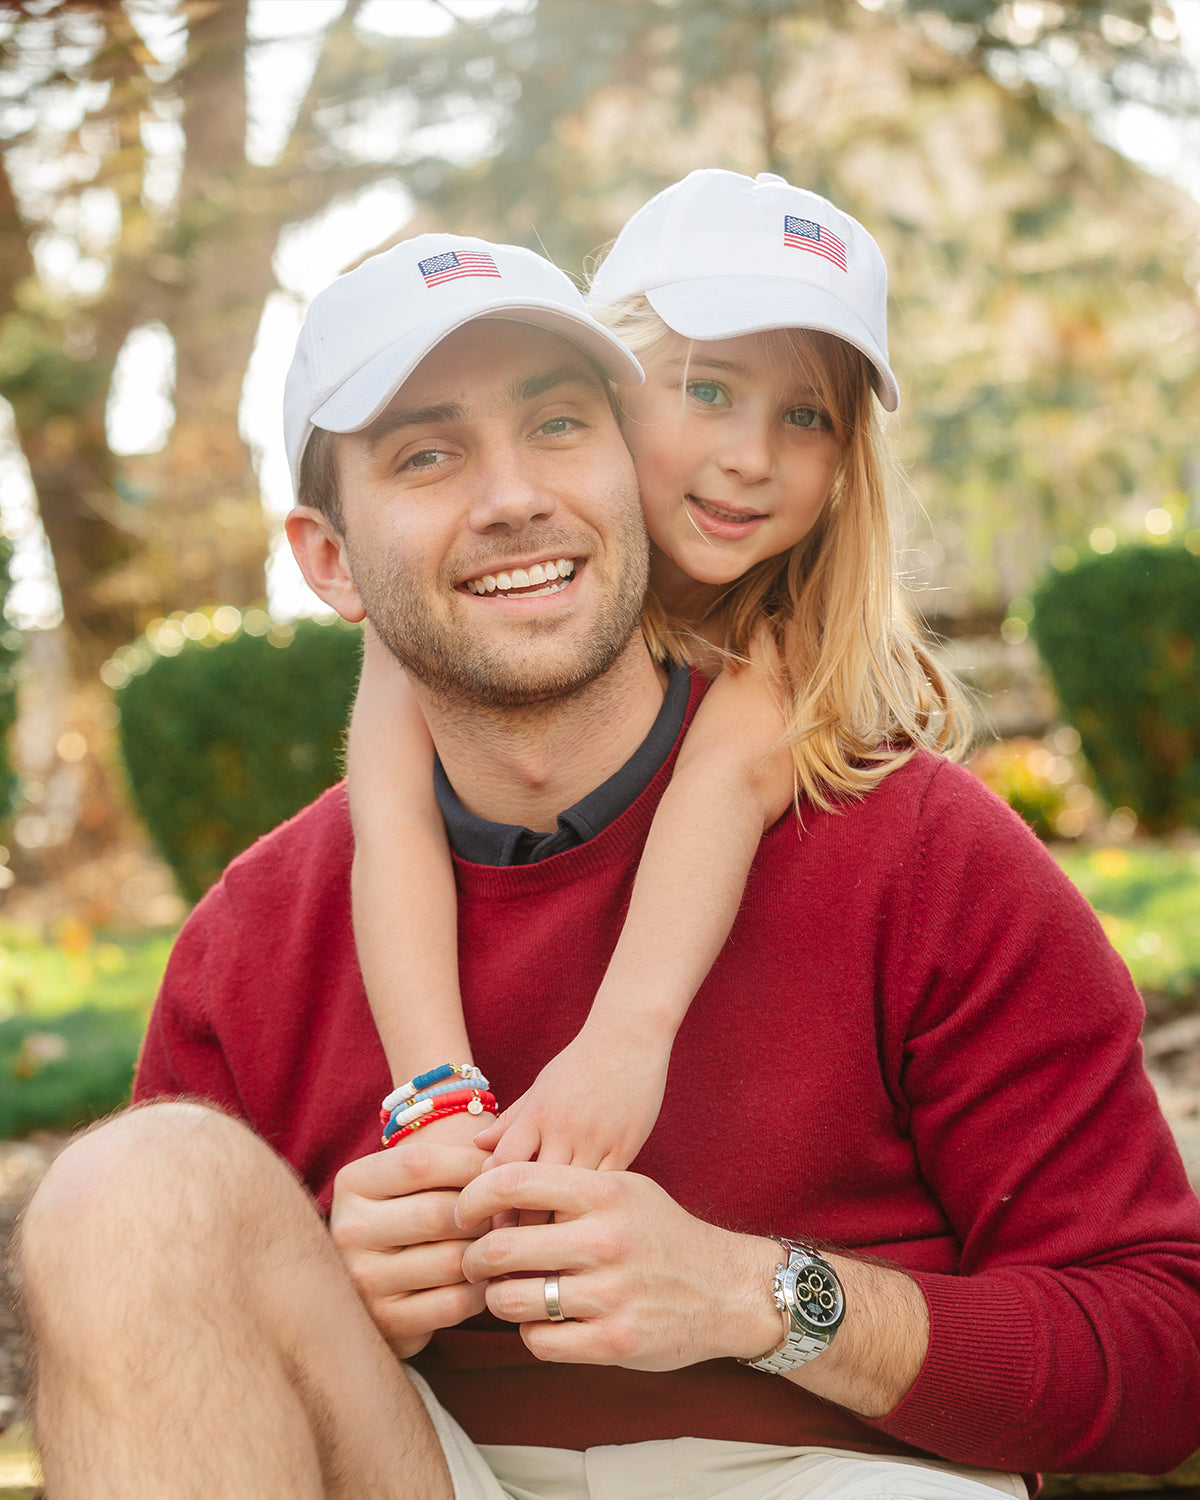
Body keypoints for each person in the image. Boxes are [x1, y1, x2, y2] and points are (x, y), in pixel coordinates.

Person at [16, 184, 1200, 1500]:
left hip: (827, 1466)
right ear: (331, 562)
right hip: (430, 1466)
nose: (516, 497)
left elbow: (1161, 1356)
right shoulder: (263, 934)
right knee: (128, 1189)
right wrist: (326, 1285)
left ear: (613, 465)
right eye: (427, 455)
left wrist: (765, 1297)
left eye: (556, 426)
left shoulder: (910, 842)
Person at [349, 170, 964, 1175]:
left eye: (807, 417)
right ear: (604, 387)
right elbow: (390, 816)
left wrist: (623, 1043)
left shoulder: (787, 639)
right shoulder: (452, 595)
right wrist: (436, 1092)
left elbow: (718, 785)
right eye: (708, 390)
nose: (751, 457)